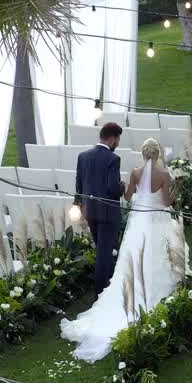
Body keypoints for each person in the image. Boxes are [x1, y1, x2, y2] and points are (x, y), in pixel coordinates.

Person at [61, 137, 187, 362]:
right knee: (157, 255)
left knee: (132, 257)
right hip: (156, 223)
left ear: (143, 154)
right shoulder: (164, 175)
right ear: (158, 154)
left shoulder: (136, 173)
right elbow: (167, 203)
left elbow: (127, 197)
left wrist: (125, 186)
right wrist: (178, 186)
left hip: (138, 224)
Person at [77, 122, 125, 294]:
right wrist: (122, 186)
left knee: (102, 250)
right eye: (118, 140)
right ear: (112, 139)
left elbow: (79, 184)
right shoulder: (113, 159)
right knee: (104, 254)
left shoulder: (83, 156)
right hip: (108, 214)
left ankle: (110, 283)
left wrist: (79, 205)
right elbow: (113, 189)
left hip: (90, 211)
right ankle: (101, 292)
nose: (118, 144)